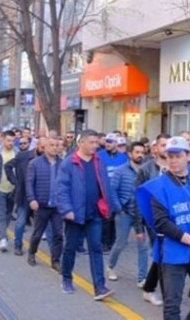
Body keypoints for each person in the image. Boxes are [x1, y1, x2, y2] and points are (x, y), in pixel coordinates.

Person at [136, 136, 190, 319]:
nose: (172, 160)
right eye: (169, 156)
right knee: (172, 306)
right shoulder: (158, 186)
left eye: (177, 155)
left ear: (189, 156)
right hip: (173, 253)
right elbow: (162, 223)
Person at [57, 129, 115, 301]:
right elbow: (61, 189)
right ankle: (66, 278)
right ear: (80, 143)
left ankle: (100, 286)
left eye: (96, 142)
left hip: (95, 213)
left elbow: (105, 185)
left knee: (96, 249)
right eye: (91, 142)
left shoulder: (99, 162)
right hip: (75, 214)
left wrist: (109, 206)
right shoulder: (69, 163)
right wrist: (66, 210)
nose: (95, 145)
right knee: (71, 248)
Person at [134, 133, 171, 306]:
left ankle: (149, 288)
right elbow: (139, 199)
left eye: (168, 145)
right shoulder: (146, 169)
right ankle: (166, 293)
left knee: (161, 255)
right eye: (162, 145)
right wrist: (139, 228)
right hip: (152, 220)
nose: (166, 149)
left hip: (171, 218)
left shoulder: (175, 167)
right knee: (163, 252)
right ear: (155, 148)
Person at [107, 141, 147, 284]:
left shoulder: (146, 170)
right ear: (130, 154)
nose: (140, 155)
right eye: (137, 152)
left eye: (142, 152)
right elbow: (112, 191)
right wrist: (119, 209)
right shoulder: (120, 170)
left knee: (143, 246)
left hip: (141, 215)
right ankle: (111, 266)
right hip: (124, 213)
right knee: (120, 243)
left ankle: (142, 278)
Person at [26, 138, 64, 270]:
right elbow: (29, 182)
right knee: (37, 233)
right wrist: (32, 199)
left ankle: (56, 260)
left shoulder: (63, 164)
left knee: (58, 234)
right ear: (45, 147)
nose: (54, 148)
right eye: (51, 145)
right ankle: (32, 252)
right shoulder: (35, 163)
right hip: (41, 204)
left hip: (57, 206)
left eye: (56, 145)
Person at [4, 135, 36, 255]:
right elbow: (7, 166)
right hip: (24, 194)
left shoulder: (39, 156)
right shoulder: (21, 156)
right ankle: (18, 245)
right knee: (21, 221)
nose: (23, 145)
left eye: (25, 143)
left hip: (38, 196)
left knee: (40, 225)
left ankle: (36, 249)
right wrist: (15, 181)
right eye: (21, 143)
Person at [98, 132, 128, 254]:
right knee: (106, 218)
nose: (108, 144)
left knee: (116, 218)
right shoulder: (99, 156)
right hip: (104, 192)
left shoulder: (123, 157)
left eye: (111, 142)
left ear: (116, 143)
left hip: (118, 192)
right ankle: (104, 242)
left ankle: (113, 241)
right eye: (107, 141)